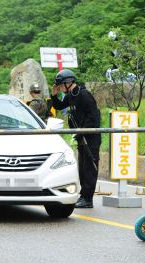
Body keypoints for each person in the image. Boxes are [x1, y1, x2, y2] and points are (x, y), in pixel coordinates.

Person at [50, 69, 101, 208]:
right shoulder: (71, 95)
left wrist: (82, 130)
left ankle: (88, 199)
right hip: (81, 136)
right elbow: (59, 106)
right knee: (82, 168)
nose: (59, 88)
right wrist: (54, 96)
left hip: (91, 137)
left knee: (90, 167)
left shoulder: (83, 94)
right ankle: (83, 196)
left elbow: (94, 117)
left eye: (60, 85)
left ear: (68, 83)